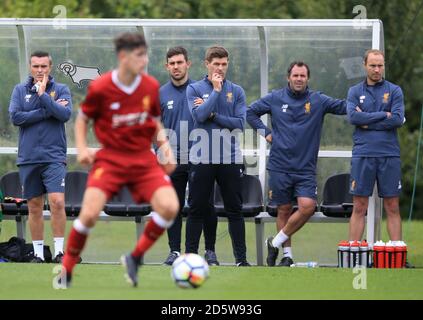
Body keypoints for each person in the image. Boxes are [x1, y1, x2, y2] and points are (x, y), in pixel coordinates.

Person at [60, 32, 179, 287]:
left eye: (145, 55)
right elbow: (82, 119)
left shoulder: (148, 86)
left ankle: (135, 258)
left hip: (142, 160)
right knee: (90, 214)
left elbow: (155, 120)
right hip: (111, 160)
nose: (144, 60)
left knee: (170, 207)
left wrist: (165, 146)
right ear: (123, 57)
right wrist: (81, 148)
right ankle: (67, 266)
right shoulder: (102, 87)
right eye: (139, 55)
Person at [247, 61, 346, 267]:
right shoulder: (275, 98)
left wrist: (361, 98)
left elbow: (343, 106)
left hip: (305, 168)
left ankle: (274, 242)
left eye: (302, 76)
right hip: (279, 166)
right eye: (295, 75)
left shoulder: (318, 100)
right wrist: (266, 133)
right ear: (288, 77)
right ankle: (287, 255)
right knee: (283, 209)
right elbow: (250, 112)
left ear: (307, 78)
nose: (299, 79)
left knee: (307, 207)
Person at [186, 46, 250, 266]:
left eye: (224, 64)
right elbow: (200, 115)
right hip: (201, 158)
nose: (220, 68)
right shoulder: (194, 89)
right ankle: (190, 258)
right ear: (207, 63)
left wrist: (212, 113)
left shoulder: (237, 91)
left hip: (229, 160)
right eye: (216, 64)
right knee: (196, 209)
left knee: (235, 210)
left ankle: (241, 260)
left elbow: (239, 124)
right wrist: (215, 91)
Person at [9, 51, 72, 263]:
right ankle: (37, 254)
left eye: (43, 66)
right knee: (34, 206)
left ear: (50, 67)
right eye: (36, 66)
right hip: (28, 158)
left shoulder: (61, 89)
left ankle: (59, 252)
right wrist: (47, 111)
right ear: (30, 67)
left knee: (57, 202)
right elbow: (16, 117)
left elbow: (64, 115)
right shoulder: (19, 90)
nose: (39, 70)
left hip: (54, 157)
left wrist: (44, 96)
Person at [159, 47, 219, 266]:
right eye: (172, 63)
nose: (176, 66)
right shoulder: (161, 93)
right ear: (167, 66)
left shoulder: (199, 89)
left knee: (204, 205)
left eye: (179, 62)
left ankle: (209, 251)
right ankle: (174, 251)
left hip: (200, 157)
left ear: (188, 64)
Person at [347, 49, 406, 250]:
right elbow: (353, 118)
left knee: (392, 206)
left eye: (380, 65)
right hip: (363, 154)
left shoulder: (395, 90)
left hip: (389, 154)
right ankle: (354, 252)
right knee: (359, 206)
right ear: (365, 66)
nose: (377, 69)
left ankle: (397, 251)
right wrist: (384, 116)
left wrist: (367, 120)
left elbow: (397, 119)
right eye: (372, 65)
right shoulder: (354, 91)